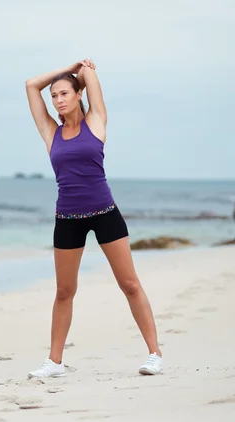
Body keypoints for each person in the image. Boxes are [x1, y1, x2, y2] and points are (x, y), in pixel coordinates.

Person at [24, 59, 163, 377]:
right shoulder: (51, 132)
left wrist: (80, 74)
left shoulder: (95, 121)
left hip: (104, 214)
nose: (58, 99)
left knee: (129, 284)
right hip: (67, 218)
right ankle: (55, 362)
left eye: (64, 93)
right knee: (64, 291)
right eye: (55, 96)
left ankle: (154, 354)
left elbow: (89, 72)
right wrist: (66, 68)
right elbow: (31, 84)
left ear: (77, 94)